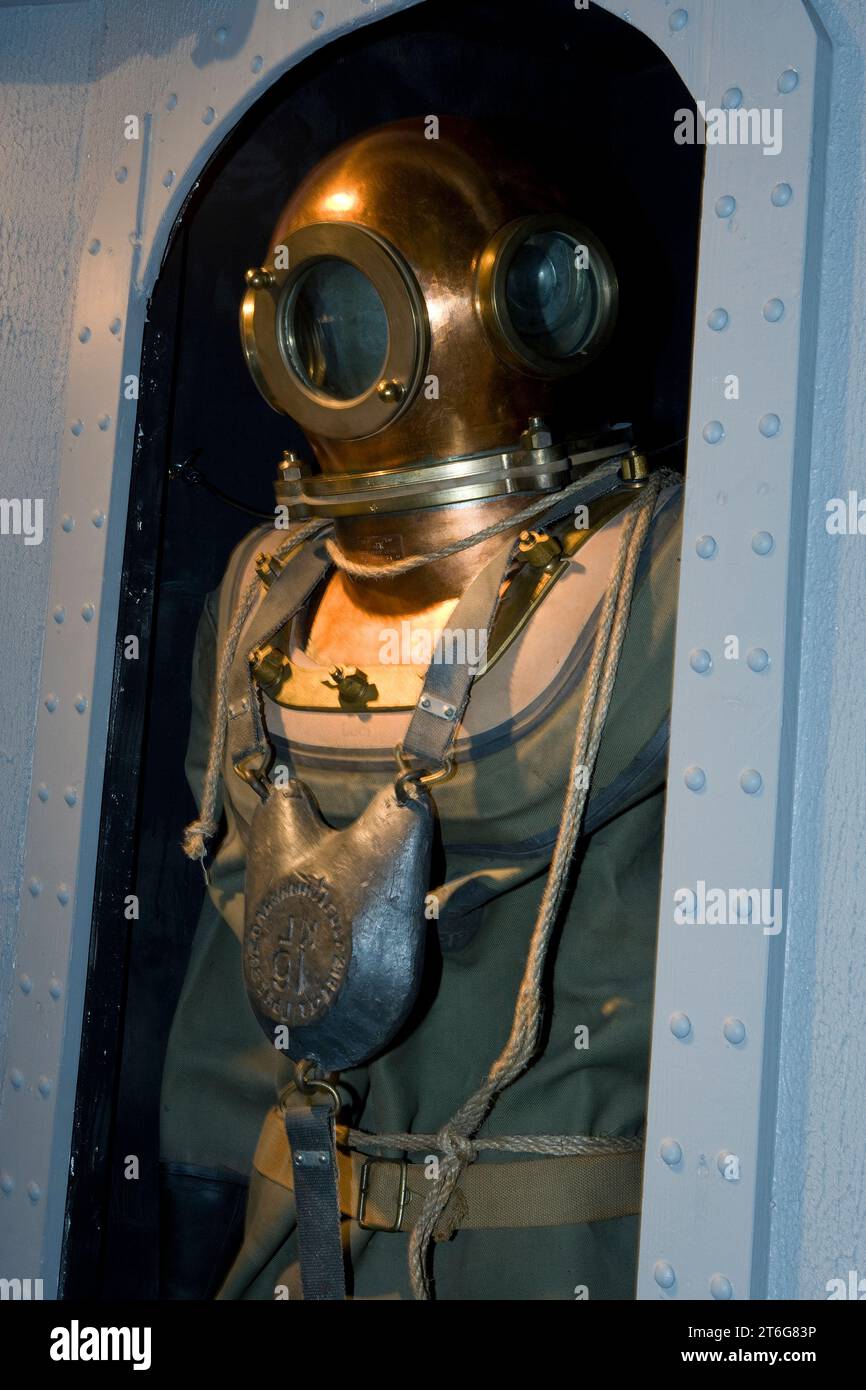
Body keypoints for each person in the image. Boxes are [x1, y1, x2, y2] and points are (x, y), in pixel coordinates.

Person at [159, 117, 682, 1301]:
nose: (342, 349)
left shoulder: (661, 582)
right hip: (304, 1239)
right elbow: (228, 998)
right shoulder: (266, 592)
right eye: (318, 319)